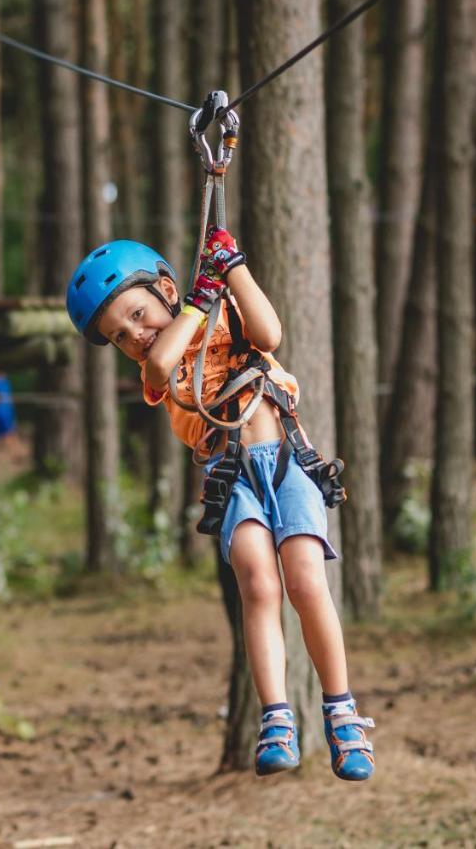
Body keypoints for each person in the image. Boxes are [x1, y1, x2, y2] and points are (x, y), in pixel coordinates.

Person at [65, 231, 375, 781]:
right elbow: (160, 362)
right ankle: (277, 718)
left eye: (138, 314)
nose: (135, 334)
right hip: (231, 475)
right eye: (119, 335)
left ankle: (342, 711)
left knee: (306, 581)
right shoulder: (159, 367)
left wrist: (230, 270)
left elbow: (271, 331)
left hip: (284, 460)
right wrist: (192, 303)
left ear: (164, 289)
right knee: (258, 584)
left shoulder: (227, 316)